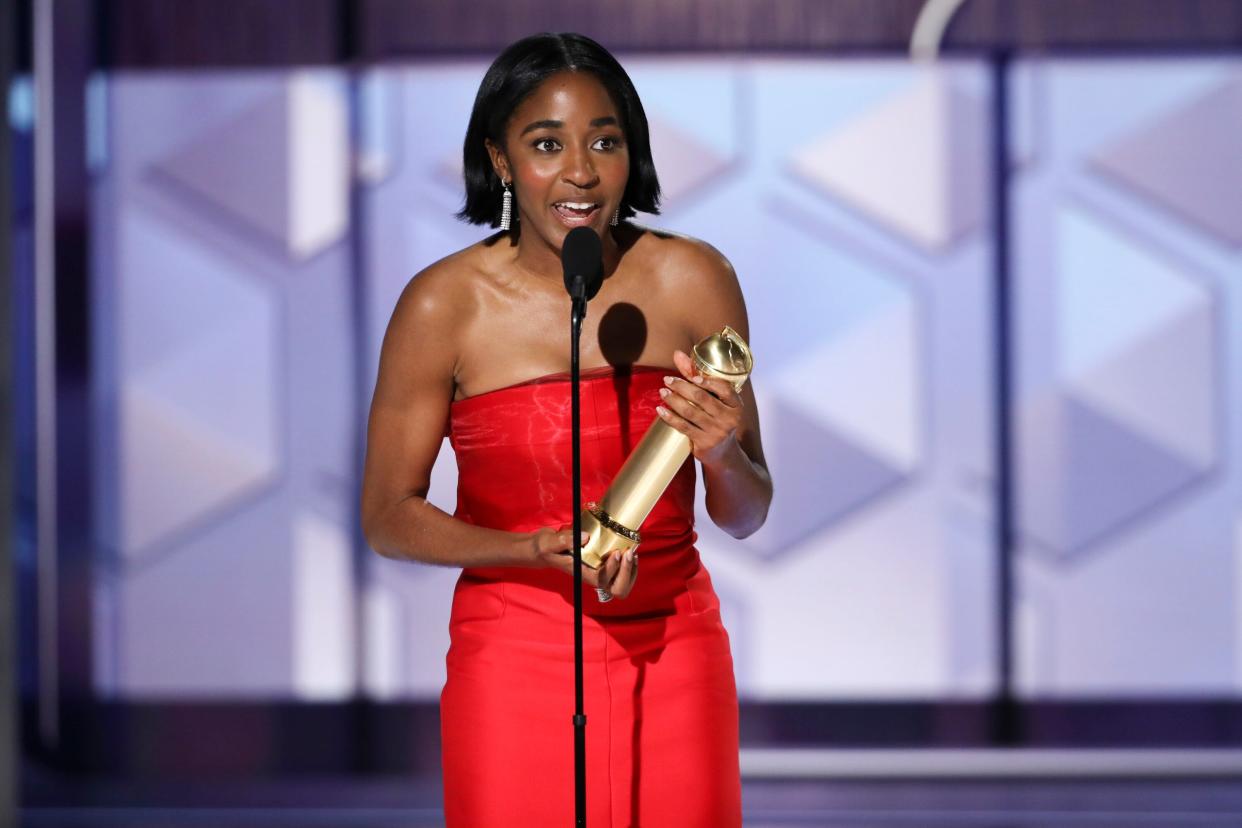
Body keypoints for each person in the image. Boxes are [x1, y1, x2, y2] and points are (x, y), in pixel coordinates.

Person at [361, 32, 771, 827]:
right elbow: (387, 516)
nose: (579, 171)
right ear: (501, 159)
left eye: (604, 141)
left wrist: (721, 451)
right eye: (546, 143)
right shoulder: (442, 305)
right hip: (512, 653)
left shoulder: (694, 278)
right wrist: (526, 549)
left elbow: (748, 512)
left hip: (673, 650)